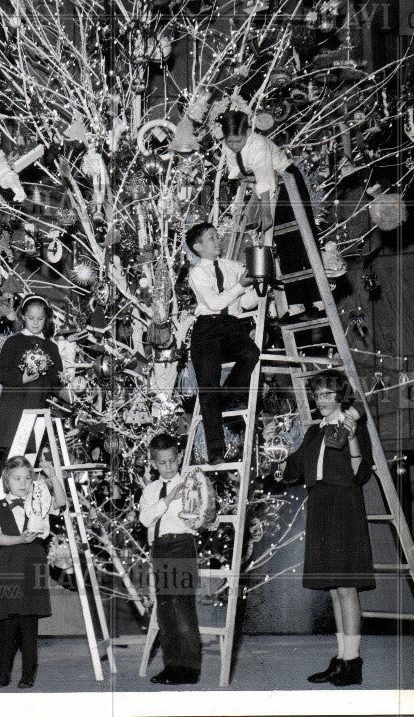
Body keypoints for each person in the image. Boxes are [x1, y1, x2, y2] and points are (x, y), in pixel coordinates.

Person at [282, 371, 375, 687]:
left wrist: (350, 437)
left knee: (347, 587)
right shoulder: (312, 433)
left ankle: (352, 663)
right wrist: (279, 449)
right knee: (334, 588)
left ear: (340, 396)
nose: (321, 400)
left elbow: (361, 474)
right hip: (319, 503)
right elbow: (292, 471)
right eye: (317, 394)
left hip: (344, 503)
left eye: (327, 394)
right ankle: (342, 658)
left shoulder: (354, 427)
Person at [221, 110, 325, 328]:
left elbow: (267, 177)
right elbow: (237, 172)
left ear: (248, 132)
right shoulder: (229, 146)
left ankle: (317, 302)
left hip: (287, 184)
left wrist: (266, 211)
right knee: (284, 246)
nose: (234, 146)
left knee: (299, 242)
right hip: (266, 190)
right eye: (230, 142)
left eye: (238, 141)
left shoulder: (257, 144)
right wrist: (252, 183)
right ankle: (295, 305)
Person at [0, 456, 67, 688]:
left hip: (33, 564)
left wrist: (53, 477)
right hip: (10, 565)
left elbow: (61, 502)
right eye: (17, 478)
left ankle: (28, 675)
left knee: (29, 625)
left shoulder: (39, 502)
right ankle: (4, 674)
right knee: (7, 626)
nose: (23, 483)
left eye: (27, 478)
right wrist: (19, 539)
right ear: (7, 481)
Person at [185, 222, 261, 465]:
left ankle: (227, 400)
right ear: (198, 247)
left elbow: (248, 303)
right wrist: (240, 285)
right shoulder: (197, 273)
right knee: (208, 388)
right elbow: (215, 303)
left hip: (231, 326)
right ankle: (216, 450)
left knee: (250, 353)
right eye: (211, 238)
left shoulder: (234, 266)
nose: (218, 241)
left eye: (217, 237)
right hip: (206, 328)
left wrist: (258, 283)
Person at [138, 433, 201, 685]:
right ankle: (172, 664)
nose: (169, 466)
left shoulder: (189, 484)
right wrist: (167, 500)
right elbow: (145, 519)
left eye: (173, 461)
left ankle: (189, 667)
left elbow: (197, 516)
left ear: (179, 458)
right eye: (162, 463)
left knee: (182, 606)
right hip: (159, 548)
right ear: (154, 464)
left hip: (182, 546)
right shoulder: (151, 491)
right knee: (165, 609)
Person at [0, 296, 63, 456]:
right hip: (13, 409)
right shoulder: (13, 342)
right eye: (31, 318)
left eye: (40, 318)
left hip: (37, 409)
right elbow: (1, 372)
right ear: (23, 316)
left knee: (30, 458)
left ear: (47, 319)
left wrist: (48, 376)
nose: (36, 323)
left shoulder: (51, 347)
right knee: (11, 460)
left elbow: (56, 379)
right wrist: (21, 379)